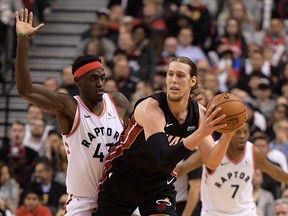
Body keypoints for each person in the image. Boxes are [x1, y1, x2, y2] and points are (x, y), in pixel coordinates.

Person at [15, 8, 131, 216]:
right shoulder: (69, 106)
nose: (100, 83)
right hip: (83, 200)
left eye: (102, 77)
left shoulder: (119, 102)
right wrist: (23, 39)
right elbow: (26, 89)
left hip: (119, 196)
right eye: (93, 78)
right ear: (78, 81)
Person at [95, 56, 244, 216]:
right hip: (123, 178)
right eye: (170, 74)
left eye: (180, 75)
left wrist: (228, 133)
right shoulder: (152, 108)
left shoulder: (199, 114)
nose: (173, 80)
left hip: (158, 183)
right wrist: (201, 133)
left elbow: (211, 162)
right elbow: (163, 159)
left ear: (192, 81)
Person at [175, 123, 288, 216]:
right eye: (238, 132)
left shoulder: (253, 152)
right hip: (214, 212)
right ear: (227, 134)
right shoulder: (211, 150)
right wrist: (160, 182)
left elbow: (275, 171)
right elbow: (182, 169)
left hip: (245, 212)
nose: (243, 136)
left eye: (245, 132)